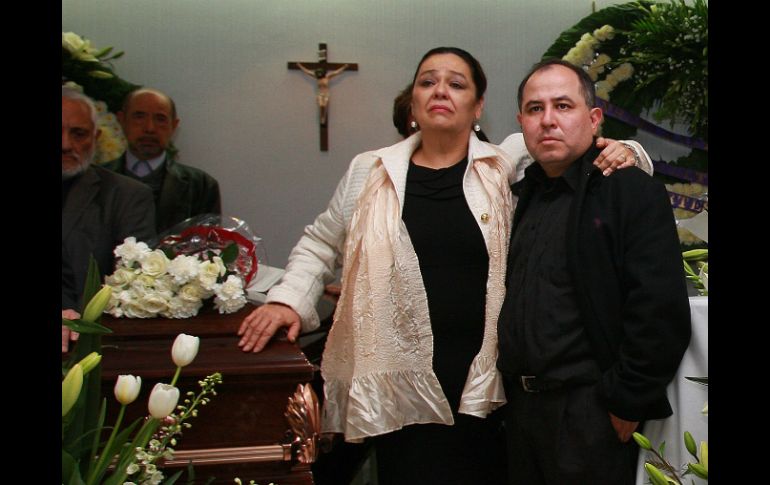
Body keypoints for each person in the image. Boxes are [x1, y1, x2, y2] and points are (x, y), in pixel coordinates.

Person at [238, 47, 649, 484]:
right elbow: (321, 242)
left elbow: (574, 144)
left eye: (457, 84)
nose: (441, 91)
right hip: (398, 377)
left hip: (483, 382)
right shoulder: (370, 170)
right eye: (428, 81)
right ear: (413, 101)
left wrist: (626, 150)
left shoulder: (504, 164)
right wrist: (288, 300)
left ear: (478, 106)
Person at [496, 59, 691, 485]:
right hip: (519, 412)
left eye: (563, 106)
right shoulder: (514, 197)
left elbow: (659, 306)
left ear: (594, 118)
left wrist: (627, 399)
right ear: (521, 123)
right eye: (535, 109)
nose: (548, 120)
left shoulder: (630, 190)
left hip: (590, 412)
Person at [62, 86, 156, 352]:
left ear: (96, 137)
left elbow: (134, 284)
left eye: (78, 133)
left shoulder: (127, 196)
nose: (65, 144)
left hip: (91, 341)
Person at [104, 88, 221, 234]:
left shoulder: (201, 185)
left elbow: (209, 247)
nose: (149, 128)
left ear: (174, 125)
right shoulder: (97, 180)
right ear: (122, 120)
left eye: (160, 119)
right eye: (139, 116)